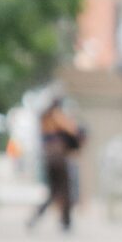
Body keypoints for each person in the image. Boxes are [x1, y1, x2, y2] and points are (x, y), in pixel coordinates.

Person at [29, 99, 83, 233]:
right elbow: (73, 130)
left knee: (54, 191)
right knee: (65, 190)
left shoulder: (44, 118)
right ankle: (66, 222)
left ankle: (37, 217)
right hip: (58, 158)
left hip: (48, 157)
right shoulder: (56, 116)